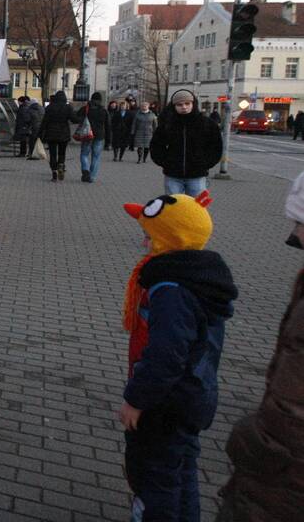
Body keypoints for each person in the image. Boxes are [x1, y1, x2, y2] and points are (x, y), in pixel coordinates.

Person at [120, 191, 238, 521]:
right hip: (193, 395)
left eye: (149, 236)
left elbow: (166, 356)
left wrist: (136, 399)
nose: (144, 244)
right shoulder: (199, 277)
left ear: (167, 240)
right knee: (181, 471)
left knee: (155, 478)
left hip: (167, 404)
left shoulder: (170, 289)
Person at [216, 172, 304, 521]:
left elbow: (291, 416)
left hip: (279, 488)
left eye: (299, 221)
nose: (294, 235)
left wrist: (249, 440)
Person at [150, 90, 223, 196]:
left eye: (187, 103)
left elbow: (215, 147)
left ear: (193, 104)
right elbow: (156, 145)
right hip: (173, 175)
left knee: (196, 209)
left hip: (197, 176)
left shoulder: (207, 123)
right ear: (174, 106)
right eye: (179, 104)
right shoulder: (167, 124)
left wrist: (205, 164)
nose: (184, 107)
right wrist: (165, 162)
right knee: (173, 209)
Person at [38, 90, 80, 181]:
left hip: (51, 133)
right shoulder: (68, 107)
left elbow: (44, 122)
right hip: (63, 133)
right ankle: (61, 165)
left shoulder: (50, 107)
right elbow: (74, 119)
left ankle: (54, 171)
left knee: (53, 154)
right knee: (62, 152)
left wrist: (40, 134)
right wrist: (81, 118)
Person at [79, 92, 110, 183]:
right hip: (99, 136)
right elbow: (108, 126)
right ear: (100, 100)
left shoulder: (85, 109)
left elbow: (76, 117)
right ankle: (92, 177)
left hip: (87, 135)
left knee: (84, 154)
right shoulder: (103, 111)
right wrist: (108, 142)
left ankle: (85, 170)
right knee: (96, 157)